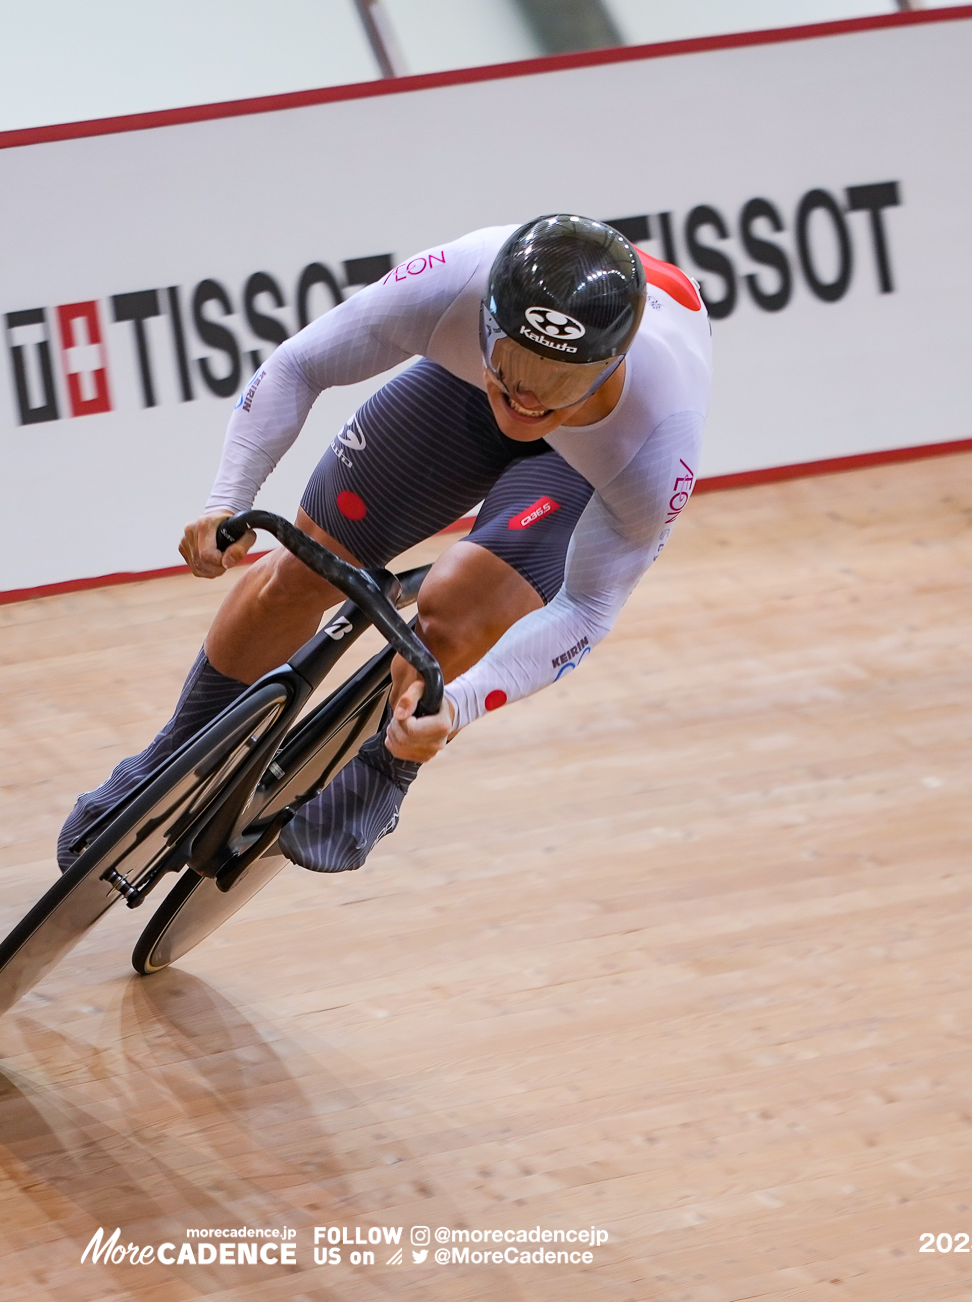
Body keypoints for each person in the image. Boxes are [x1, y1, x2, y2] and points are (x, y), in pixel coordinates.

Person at [59, 214, 712, 874]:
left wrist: (456, 705)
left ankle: (390, 765)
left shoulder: (657, 440)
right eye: (512, 362)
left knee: (458, 605)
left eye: (558, 381)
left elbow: (588, 609)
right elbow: (299, 363)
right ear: (487, 320)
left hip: (582, 457)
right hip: (462, 390)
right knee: (304, 570)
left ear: (611, 366)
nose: (527, 397)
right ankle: (177, 750)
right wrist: (226, 501)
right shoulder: (456, 282)